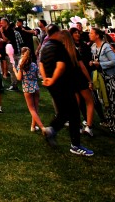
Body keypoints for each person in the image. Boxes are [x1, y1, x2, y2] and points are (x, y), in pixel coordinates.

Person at [39, 24, 93, 156]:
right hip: (63, 84)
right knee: (74, 113)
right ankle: (75, 145)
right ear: (57, 33)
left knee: (64, 112)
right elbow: (61, 66)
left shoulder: (45, 48)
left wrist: (46, 78)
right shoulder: (59, 47)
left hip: (53, 86)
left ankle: (51, 129)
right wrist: (53, 79)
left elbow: (41, 64)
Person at [89, 27, 115, 138]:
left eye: (91, 33)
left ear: (97, 35)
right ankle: (113, 125)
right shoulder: (93, 47)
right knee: (107, 102)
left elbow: (114, 61)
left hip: (111, 78)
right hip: (102, 78)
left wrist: (100, 64)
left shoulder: (106, 47)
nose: (90, 35)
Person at [64, 30, 95, 137]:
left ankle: (76, 124)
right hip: (80, 78)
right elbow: (82, 67)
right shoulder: (73, 50)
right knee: (90, 102)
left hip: (70, 80)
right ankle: (89, 126)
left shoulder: (61, 51)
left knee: (75, 104)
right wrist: (89, 80)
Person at [15, 47, 43, 132]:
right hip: (36, 87)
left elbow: (19, 78)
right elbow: (37, 75)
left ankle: (42, 127)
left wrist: (14, 70)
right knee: (36, 108)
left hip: (27, 88)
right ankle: (33, 127)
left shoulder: (21, 65)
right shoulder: (34, 64)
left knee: (31, 109)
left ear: (22, 54)